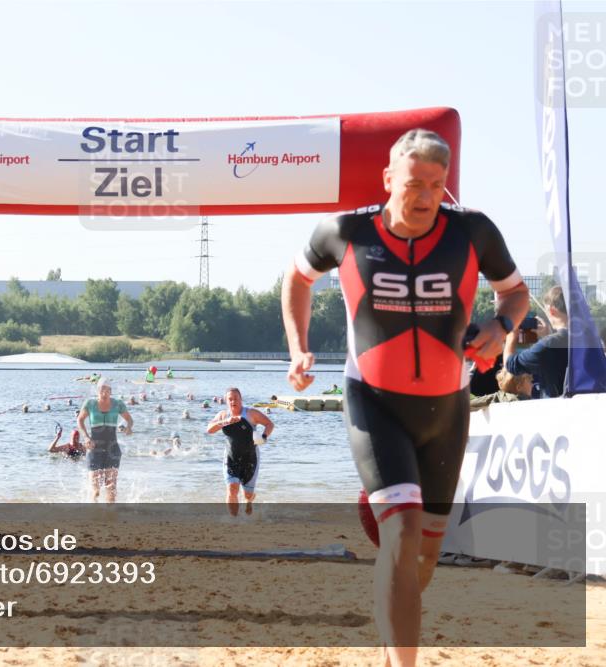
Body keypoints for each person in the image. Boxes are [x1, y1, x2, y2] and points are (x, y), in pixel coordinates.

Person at [281, 129, 529, 666]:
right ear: (389, 179)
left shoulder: (472, 232)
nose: (424, 197)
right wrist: (299, 349)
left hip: (447, 410)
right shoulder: (344, 232)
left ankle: (392, 588)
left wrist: (500, 322)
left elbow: (514, 290)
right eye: (414, 184)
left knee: (426, 554)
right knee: (403, 532)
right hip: (373, 401)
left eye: (437, 186)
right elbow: (296, 280)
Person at [206, 387, 274, 517]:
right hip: (231, 457)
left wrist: (264, 437)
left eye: (235, 398)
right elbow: (209, 429)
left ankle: (249, 500)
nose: (233, 401)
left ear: (241, 399)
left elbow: (269, 424)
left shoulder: (250, 414)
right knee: (232, 488)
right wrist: (223, 422)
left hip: (250, 458)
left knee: (247, 494)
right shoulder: (223, 415)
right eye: (230, 399)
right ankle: (234, 520)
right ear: (226, 401)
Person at [503, 286, 569, 398]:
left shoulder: (547, 346)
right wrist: (547, 337)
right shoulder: (590, 339)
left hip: (558, 409)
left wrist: (511, 337)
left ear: (552, 311)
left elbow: (511, 365)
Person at [77, 378, 133, 503]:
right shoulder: (90, 404)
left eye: (106, 389)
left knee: (111, 487)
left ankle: (110, 517)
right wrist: (86, 437)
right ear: (97, 390)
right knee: (96, 490)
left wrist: (129, 427)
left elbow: (129, 419)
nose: (104, 392)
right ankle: (94, 515)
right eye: (101, 389)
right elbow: (80, 420)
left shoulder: (118, 404)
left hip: (112, 449)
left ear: (110, 391)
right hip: (94, 449)